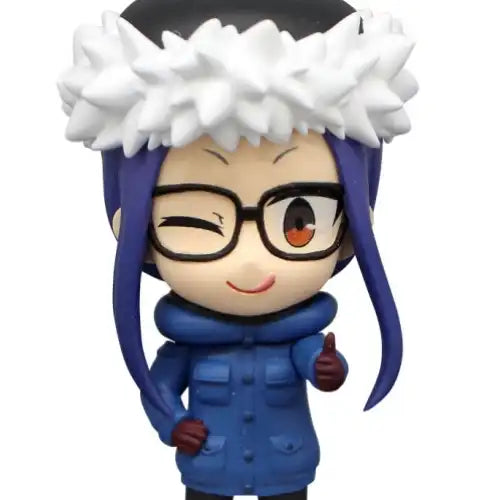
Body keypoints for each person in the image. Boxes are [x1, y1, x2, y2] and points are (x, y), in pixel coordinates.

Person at [57, 1, 418, 498]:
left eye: (297, 221)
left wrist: (327, 368)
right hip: (210, 463)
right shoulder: (185, 346)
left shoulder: (299, 338)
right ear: (134, 228)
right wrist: (174, 424)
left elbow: (317, 366)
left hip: (286, 465)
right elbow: (160, 390)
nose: (249, 259)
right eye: (197, 221)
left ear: (355, 223)